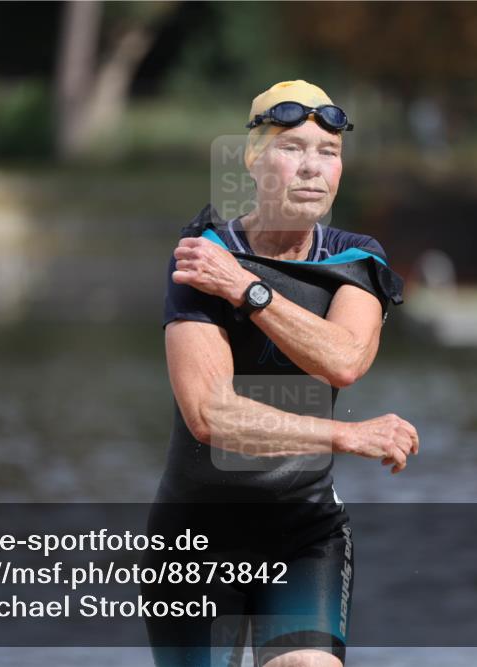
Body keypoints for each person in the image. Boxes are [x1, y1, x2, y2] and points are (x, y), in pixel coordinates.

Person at [142, 79, 420, 667]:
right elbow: (210, 415)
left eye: (329, 152)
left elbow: (344, 359)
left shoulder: (355, 260)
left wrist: (248, 290)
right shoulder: (203, 252)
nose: (313, 168)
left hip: (303, 531)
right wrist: (346, 436)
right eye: (293, 148)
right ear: (254, 159)